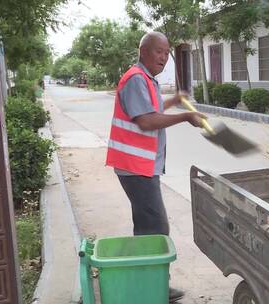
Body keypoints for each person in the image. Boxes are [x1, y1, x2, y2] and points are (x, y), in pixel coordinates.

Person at [105, 31, 205, 303]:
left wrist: (175, 100)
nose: (163, 57)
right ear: (144, 51)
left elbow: (153, 107)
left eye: (166, 52)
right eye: (158, 51)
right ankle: (153, 287)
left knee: (147, 226)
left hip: (140, 166)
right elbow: (146, 121)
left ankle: (146, 282)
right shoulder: (136, 78)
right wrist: (185, 116)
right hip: (135, 167)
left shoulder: (146, 79)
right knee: (155, 228)